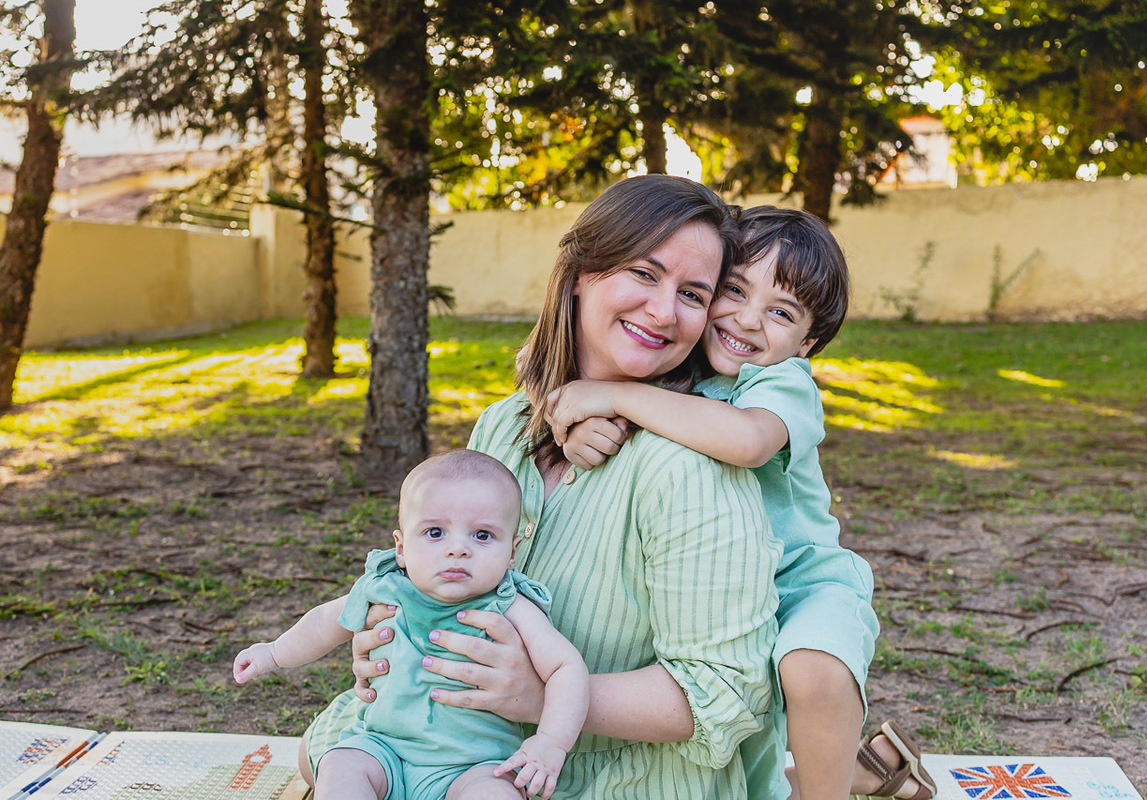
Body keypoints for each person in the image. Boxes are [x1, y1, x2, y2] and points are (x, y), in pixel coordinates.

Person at [299, 174, 785, 799]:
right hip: (460, 751)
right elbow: (455, 579)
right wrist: (392, 643)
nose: (664, 312)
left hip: (616, 775)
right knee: (335, 757)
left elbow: (725, 692)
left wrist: (537, 695)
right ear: (582, 272)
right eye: (643, 273)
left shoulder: (691, 467)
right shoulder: (505, 425)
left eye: (693, 293)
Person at [543, 206, 937, 800]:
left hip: (798, 583)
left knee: (812, 672)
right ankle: (867, 770)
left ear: (805, 343)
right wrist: (579, 426)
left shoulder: (781, 383)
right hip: (719, 600)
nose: (748, 321)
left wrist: (610, 394)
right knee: (741, 770)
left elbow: (748, 441)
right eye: (733, 290)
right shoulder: (678, 369)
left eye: (780, 312)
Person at [233, 450, 589, 800]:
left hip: (473, 764)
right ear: (401, 548)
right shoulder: (385, 589)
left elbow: (565, 667)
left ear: (512, 552)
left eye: (481, 535)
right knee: (341, 765)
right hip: (383, 748)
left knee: (496, 792)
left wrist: (550, 742)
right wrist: (272, 653)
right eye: (435, 532)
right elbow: (325, 622)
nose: (457, 549)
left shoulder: (510, 606)